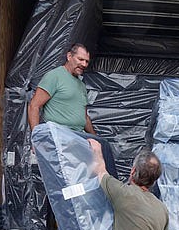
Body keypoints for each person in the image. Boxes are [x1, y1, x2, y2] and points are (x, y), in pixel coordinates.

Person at [28, 43, 117, 176]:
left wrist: (95, 138)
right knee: (69, 178)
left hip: (77, 136)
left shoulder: (80, 85)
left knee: (103, 147)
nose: (84, 64)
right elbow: (34, 106)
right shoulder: (55, 76)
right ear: (69, 56)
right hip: (61, 136)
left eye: (87, 61)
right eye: (80, 59)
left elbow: (84, 117)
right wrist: (36, 139)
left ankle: (109, 192)